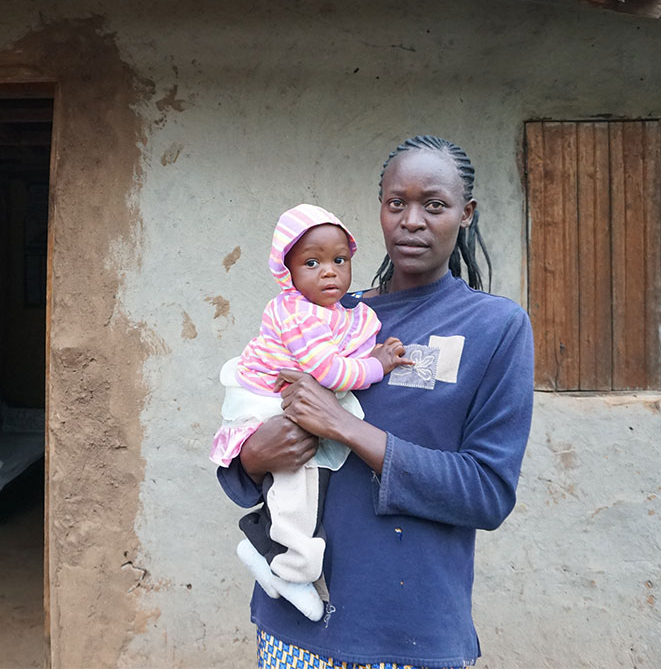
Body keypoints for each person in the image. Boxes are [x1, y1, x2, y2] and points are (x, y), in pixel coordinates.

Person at [218, 136, 535, 669]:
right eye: (396, 204)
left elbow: (487, 492)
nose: (412, 221)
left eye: (434, 205)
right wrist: (253, 455)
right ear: (381, 211)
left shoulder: (494, 327)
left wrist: (345, 426)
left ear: (466, 214)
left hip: (408, 631)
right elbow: (248, 445)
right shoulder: (325, 316)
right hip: (294, 622)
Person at [211, 203, 411, 621]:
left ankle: (267, 545)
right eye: (312, 262)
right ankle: (288, 564)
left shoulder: (337, 313)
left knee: (305, 474)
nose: (329, 272)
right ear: (288, 271)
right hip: (264, 401)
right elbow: (330, 370)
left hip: (288, 399)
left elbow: (345, 347)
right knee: (298, 477)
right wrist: (379, 365)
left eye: (340, 260)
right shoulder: (296, 312)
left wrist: (370, 352)